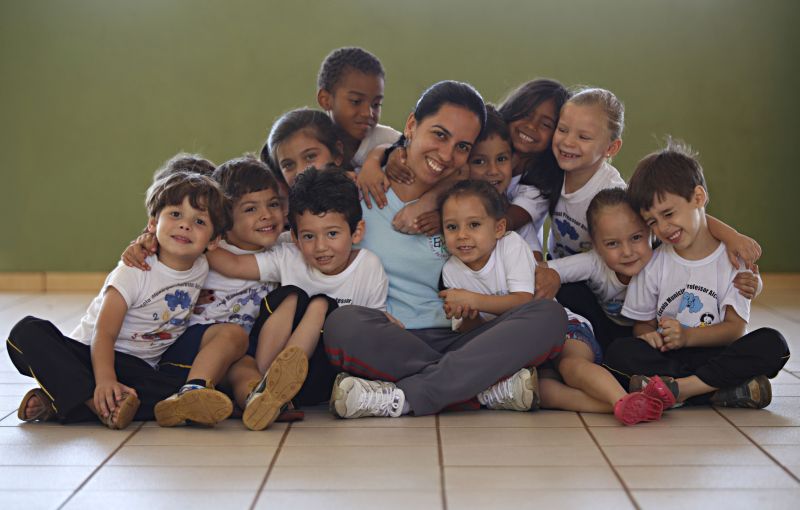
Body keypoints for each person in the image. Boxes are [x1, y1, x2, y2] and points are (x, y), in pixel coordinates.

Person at [322, 80, 568, 419]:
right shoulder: (361, 190)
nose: (447, 154)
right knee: (342, 324)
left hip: (463, 338)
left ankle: (405, 397)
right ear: (411, 125)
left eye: (463, 146)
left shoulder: (464, 210)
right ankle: (481, 390)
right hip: (390, 339)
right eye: (439, 134)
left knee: (550, 317)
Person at [7, 171, 228, 429]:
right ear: (153, 224)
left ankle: (61, 398)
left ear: (213, 241)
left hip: (140, 371)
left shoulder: (201, 265)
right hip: (92, 357)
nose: (185, 225)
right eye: (175, 214)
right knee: (26, 332)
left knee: (193, 388)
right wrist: (105, 381)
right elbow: (104, 332)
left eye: (199, 221)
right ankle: (93, 401)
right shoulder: (134, 270)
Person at [603, 141, 790, 408]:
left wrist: (688, 336)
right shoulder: (654, 263)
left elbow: (735, 330)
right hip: (671, 358)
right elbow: (641, 324)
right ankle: (719, 390)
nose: (664, 228)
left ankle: (681, 389)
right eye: (652, 222)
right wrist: (650, 336)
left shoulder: (732, 259)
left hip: (716, 353)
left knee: (774, 343)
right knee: (618, 353)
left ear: (699, 198)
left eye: (669, 213)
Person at [207, 167, 388, 429]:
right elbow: (233, 264)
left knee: (322, 304)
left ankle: (279, 386)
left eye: (332, 234)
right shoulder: (288, 255)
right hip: (267, 358)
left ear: (357, 232)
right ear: (295, 237)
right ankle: (264, 387)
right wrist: (187, 238)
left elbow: (373, 330)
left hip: (319, 374)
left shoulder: (368, 266)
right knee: (292, 295)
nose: (321, 246)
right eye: (309, 237)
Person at [498, 79, 570, 258]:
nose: (531, 126)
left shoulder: (542, 184)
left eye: (546, 124)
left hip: (513, 256)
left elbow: (505, 223)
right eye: (525, 114)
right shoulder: (484, 150)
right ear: (512, 110)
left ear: (557, 135)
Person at [316, 46, 400, 169]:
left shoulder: (390, 140)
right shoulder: (312, 142)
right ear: (326, 100)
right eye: (356, 101)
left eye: (376, 104)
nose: (368, 113)